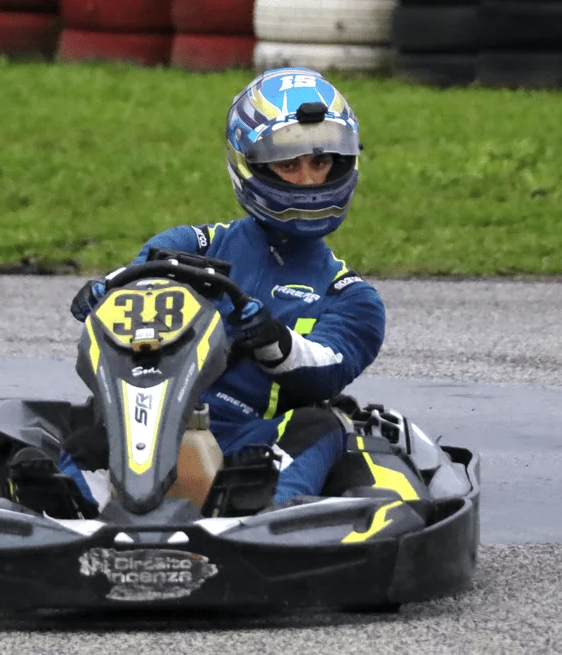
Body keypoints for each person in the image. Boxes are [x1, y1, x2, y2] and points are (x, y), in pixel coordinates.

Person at [51, 67, 387, 513]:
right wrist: (107, 297)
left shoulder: (350, 297)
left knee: (323, 425)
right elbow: (134, 287)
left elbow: (326, 367)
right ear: (252, 167)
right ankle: (73, 505)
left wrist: (274, 341)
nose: (308, 180)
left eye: (320, 162)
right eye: (289, 165)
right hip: (151, 417)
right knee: (82, 435)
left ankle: (266, 506)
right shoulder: (190, 246)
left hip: (253, 436)